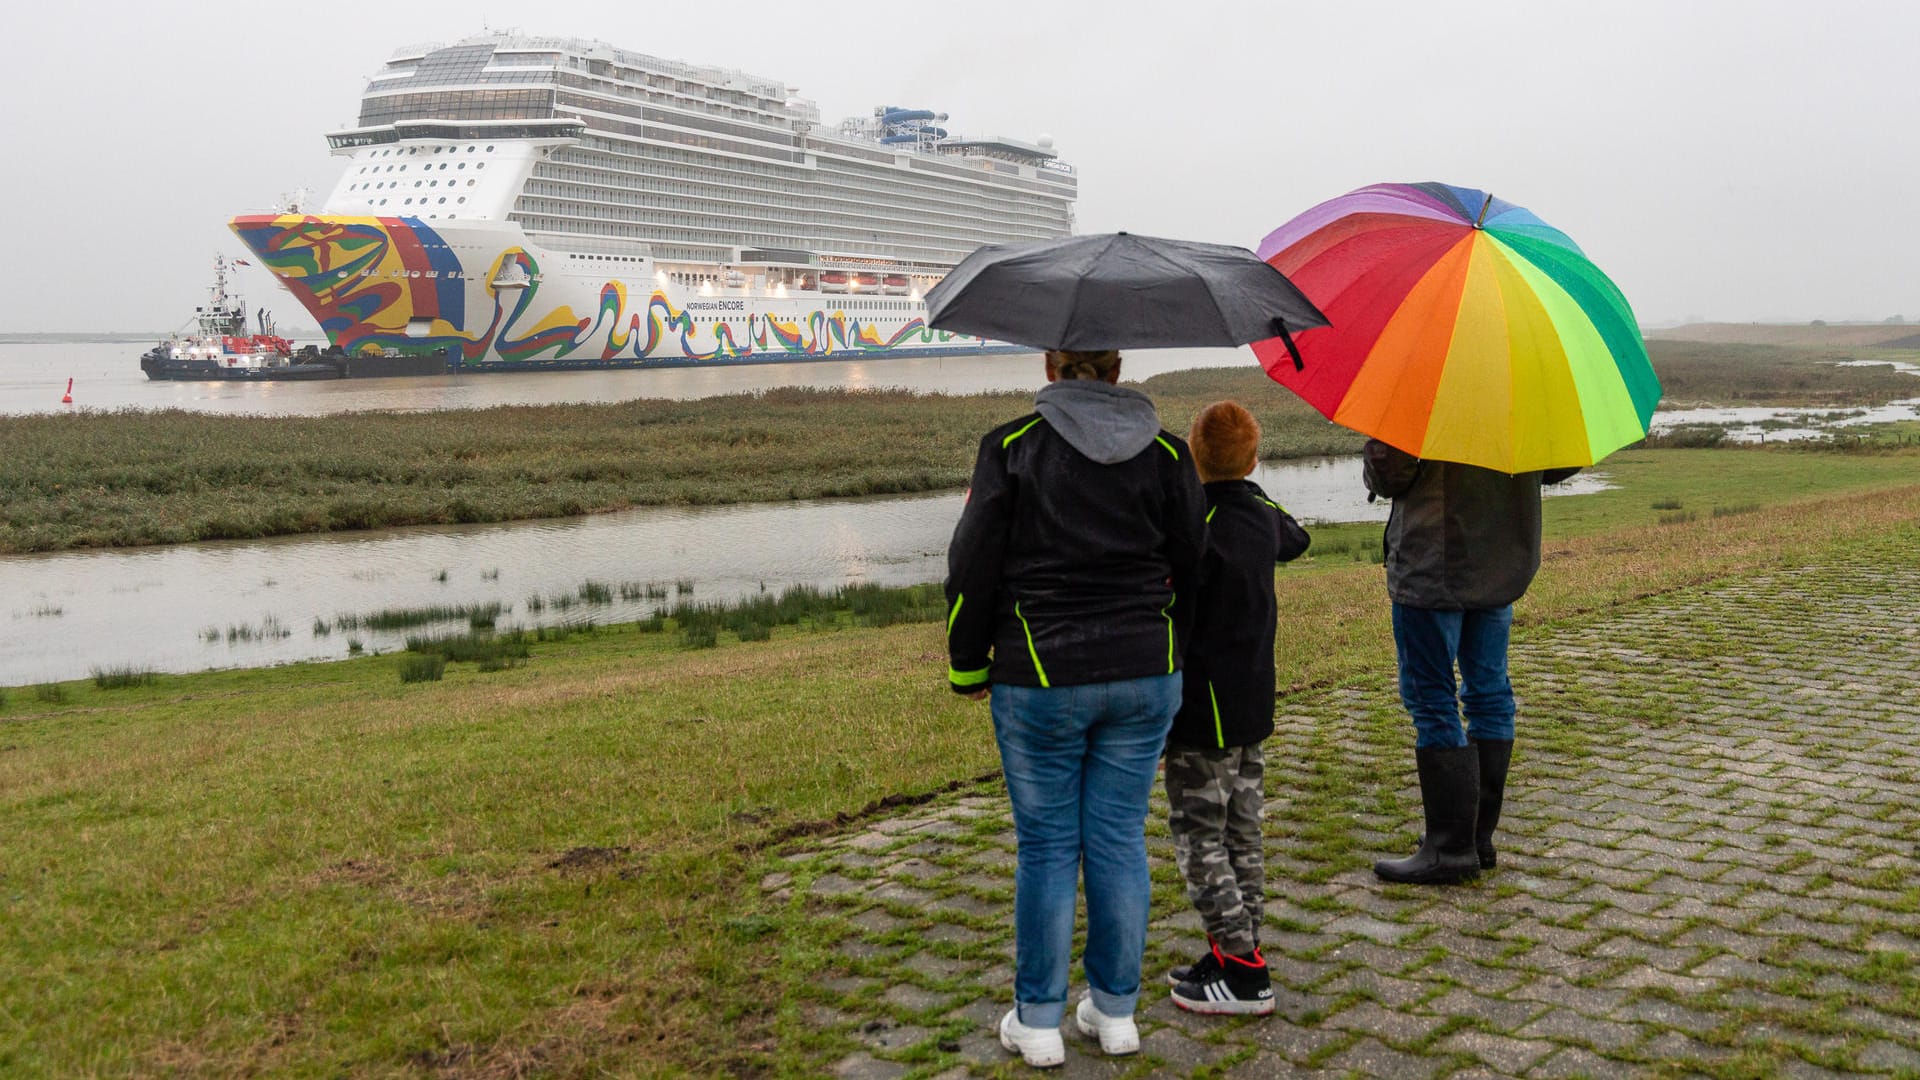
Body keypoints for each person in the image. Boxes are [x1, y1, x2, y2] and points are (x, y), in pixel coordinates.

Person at [945, 348, 1206, 1068]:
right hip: (1145, 676)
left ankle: (1038, 1023)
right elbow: (1194, 561)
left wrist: (968, 665)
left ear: (1053, 365)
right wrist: (1170, 646)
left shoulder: (1010, 447)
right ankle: (1116, 1013)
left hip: (1040, 676)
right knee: (1119, 841)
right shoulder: (1167, 451)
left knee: (1049, 848)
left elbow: (971, 562)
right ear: (1117, 368)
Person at [1362, 439, 1578, 885]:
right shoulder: (1520, 384)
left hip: (1432, 565)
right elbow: (1559, 464)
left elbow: (1391, 473)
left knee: (1431, 696)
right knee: (1489, 691)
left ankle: (1449, 847)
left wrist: (1373, 455)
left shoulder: (1422, 385)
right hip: (1499, 563)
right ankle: (1477, 837)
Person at [1162, 402, 1309, 1016]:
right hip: (1251, 702)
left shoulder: (1194, 521)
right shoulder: (1260, 515)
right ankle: (1234, 951)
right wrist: (1250, 482)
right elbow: (1296, 538)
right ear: (1254, 459)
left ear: (1193, 458)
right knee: (1242, 830)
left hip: (1202, 710)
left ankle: (1245, 972)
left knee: (1199, 838)